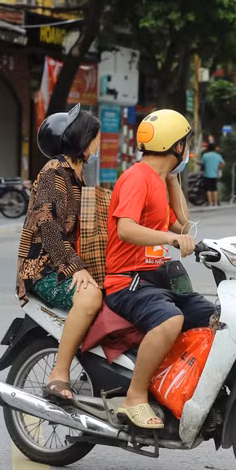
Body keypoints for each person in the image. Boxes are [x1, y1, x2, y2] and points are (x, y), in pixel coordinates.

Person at [103, 109, 214, 429]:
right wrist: (171, 237)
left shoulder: (157, 179)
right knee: (170, 320)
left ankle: (175, 385)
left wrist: (172, 177)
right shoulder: (137, 178)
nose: (188, 150)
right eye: (186, 143)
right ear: (176, 146)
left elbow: (184, 225)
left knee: (214, 320)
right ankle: (135, 397)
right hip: (127, 280)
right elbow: (126, 229)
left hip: (156, 278)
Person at [15, 104, 103, 404]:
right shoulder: (55, 172)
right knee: (90, 295)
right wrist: (76, 268)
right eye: (95, 136)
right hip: (44, 271)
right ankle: (59, 374)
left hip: (62, 265)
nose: (98, 143)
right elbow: (48, 226)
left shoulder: (76, 175)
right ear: (82, 138)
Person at [199, 143, 225, 207]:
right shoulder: (218, 155)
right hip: (215, 175)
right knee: (214, 189)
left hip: (207, 174)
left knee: (208, 189)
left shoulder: (205, 155)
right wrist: (218, 167)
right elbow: (223, 163)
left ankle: (210, 203)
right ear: (214, 148)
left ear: (208, 148)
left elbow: (202, 163)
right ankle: (215, 203)